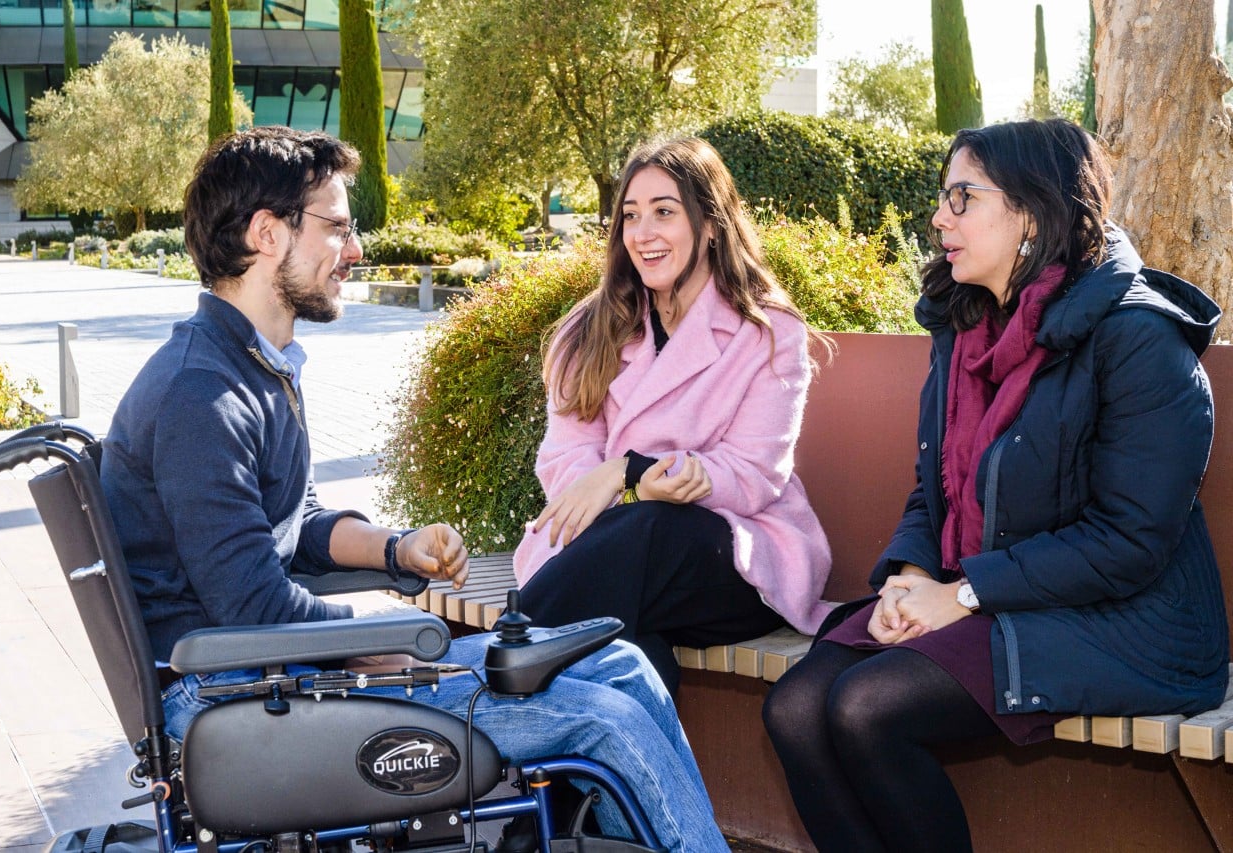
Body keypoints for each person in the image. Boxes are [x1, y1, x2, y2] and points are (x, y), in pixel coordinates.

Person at [98, 126, 729, 852]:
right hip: (235, 699)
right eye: (336, 227)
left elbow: (291, 523)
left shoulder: (245, 370)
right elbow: (252, 607)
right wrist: (387, 646)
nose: (356, 249)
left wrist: (396, 549)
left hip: (267, 676)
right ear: (267, 234)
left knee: (623, 664)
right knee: (603, 719)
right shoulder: (200, 396)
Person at [762, 117, 1230, 853]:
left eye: (962, 197)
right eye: (943, 198)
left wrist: (961, 593)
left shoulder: (1139, 338)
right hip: (997, 594)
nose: (939, 217)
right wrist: (909, 578)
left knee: (867, 705)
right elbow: (935, 490)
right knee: (796, 705)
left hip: (1129, 619)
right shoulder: (966, 330)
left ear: (1034, 214)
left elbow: (1128, 541)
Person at [512, 136, 833, 697]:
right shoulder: (585, 332)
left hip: (734, 560)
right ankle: (617, 785)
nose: (643, 233)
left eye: (665, 212)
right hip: (610, 554)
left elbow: (754, 475)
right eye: (630, 216)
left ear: (710, 224)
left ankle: (499, 672)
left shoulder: (768, 333)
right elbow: (565, 462)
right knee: (629, 657)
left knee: (652, 527)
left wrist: (629, 473)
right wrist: (633, 486)